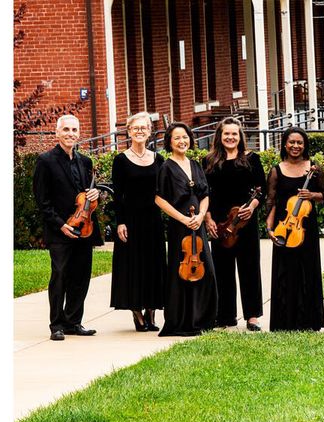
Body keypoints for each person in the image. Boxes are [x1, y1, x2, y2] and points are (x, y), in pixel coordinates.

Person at [34, 114, 102, 340]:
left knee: (81, 276)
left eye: (74, 130)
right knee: (60, 275)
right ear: (57, 132)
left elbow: (86, 198)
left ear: (79, 133)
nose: (70, 134)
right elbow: (42, 201)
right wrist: (61, 225)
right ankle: (57, 325)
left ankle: (74, 321)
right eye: (66, 130)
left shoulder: (85, 161)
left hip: (84, 228)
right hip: (59, 230)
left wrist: (95, 194)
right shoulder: (45, 161)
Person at [202, 117, 266, 331]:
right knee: (222, 268)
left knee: (249, 267)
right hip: (219, 221)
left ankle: (252, 315)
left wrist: (254, 205)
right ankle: (225, 315)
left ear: (240, 137)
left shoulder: (251, 159)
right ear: (219, 136)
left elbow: (262, 189)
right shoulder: (209, 161)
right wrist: (208, 218)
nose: (230, 137)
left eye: (234, 134)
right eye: (226, 134)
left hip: (245, 221)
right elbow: (204, 193)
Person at [154, 122, 218, 337]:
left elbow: (205, 195)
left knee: (205, 271)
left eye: (185, 137)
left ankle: (202, 318)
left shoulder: (195, 164)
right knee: (181, 273)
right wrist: (183, 219)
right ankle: (182, 321)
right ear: (169, 142)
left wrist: (200, 216)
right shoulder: (166, 167)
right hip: (180, 227)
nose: (182, 141)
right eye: (177, 138)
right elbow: (159, 199)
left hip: (197, 224)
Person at [264, 127, 324, 332]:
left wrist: (311, 195)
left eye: (300, 143)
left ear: (305, 145)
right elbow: (271, 201)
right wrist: (269, 227)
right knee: (285, 273)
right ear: (284, 144)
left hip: (306, 227)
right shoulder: (276, 170)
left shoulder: (314, 168)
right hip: (284, 229)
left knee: (307, 272)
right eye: (291, 142)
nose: (295, 146)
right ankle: (285, 321)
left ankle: (309, 321)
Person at [109, 112, 166, 332]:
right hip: (131, 221)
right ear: (128, 131)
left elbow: (164, 191)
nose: (140, 131)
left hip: (153, 220)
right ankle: (136, 313)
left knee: (153, 265)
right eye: (136, 128)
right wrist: (120, 222)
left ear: (150, 132)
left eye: (144, 128)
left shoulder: (158, 159)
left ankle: (151, 312)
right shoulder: (121, 160)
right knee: (133, 266)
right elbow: (118, 194)